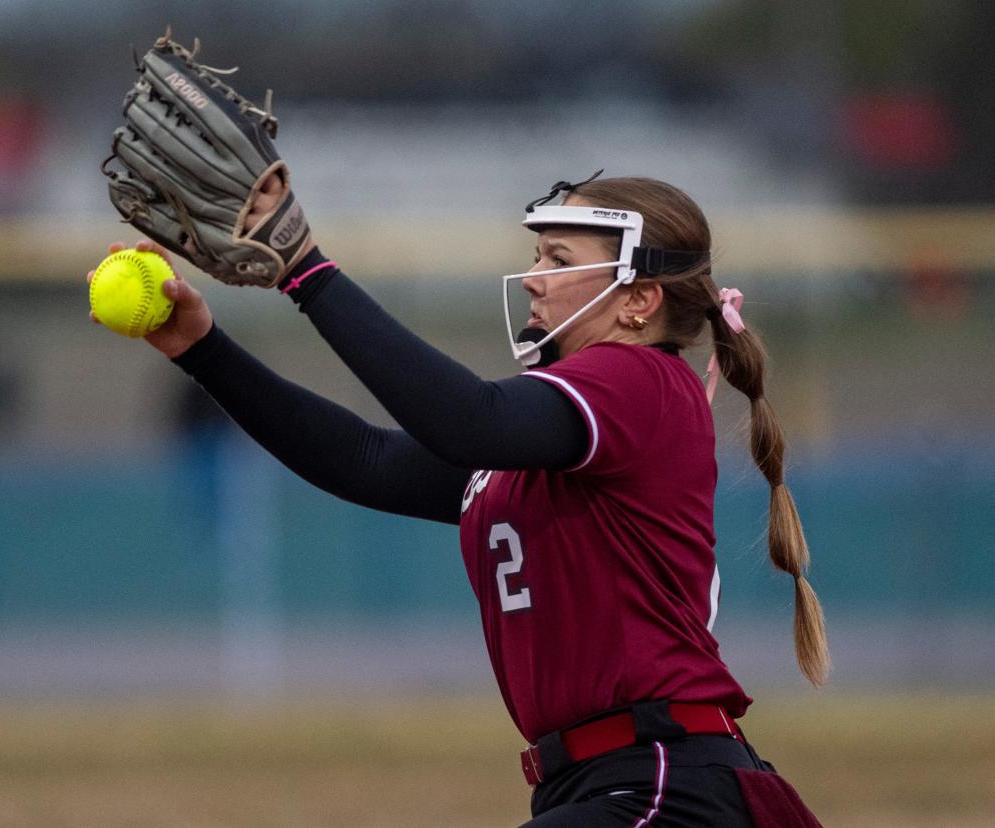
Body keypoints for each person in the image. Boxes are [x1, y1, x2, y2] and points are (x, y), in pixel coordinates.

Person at [89, 172, 828, 826]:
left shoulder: (641, 383)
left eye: (561, 260)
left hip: (666, 785)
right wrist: (202, 349)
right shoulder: (548, 438)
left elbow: (465, 418)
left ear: (639, 300)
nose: (535, 277)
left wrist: (305, 270)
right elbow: (366, 460)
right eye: (538, 255)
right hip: (602, 785)